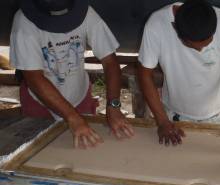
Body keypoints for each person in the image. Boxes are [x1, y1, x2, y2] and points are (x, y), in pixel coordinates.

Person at [137, 0, 220, 150]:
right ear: (175, 29)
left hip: (214, 114)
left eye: (207, 44)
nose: (201, 51)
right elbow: (144, 74)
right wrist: (162, 120)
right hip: (173, 113)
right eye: (192, 46)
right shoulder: (156, 24)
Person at [10, 0, 134, 149]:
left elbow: (110, 61)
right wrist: (73, 117)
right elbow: (34, 79)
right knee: (43, 154)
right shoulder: (24, 23)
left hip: (79, 98)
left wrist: (113, 105)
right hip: (39, 103)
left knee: (88, 152)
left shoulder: (85, 11)